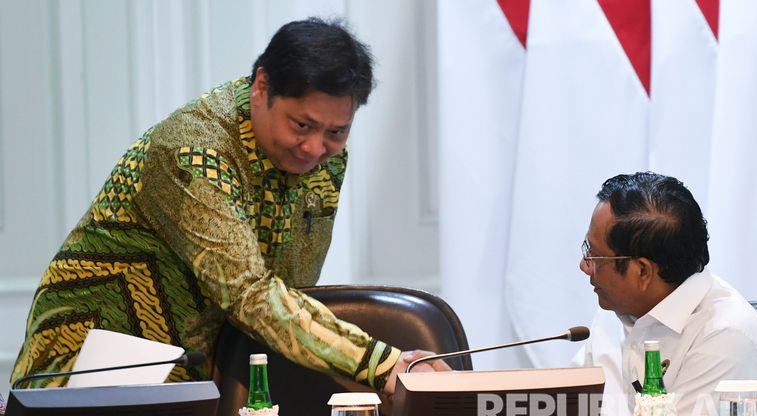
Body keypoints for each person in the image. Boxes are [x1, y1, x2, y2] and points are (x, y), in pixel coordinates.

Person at [12, 17, 449, 395]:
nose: (316, 147)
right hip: (95, 364)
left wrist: (366, 377)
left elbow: (288, 289)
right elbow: (249, 292)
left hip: (206, 369)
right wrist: (379, 364)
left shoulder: (324, 160)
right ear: (262, 87)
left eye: (337, 131)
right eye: (303, 125)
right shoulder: (192, 150)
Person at [573, 172, 757, 416]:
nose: (584, 266)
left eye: (595, 257)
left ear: (643, 272)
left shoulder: (723, 333)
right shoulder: (617, 310)